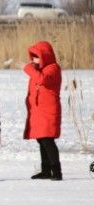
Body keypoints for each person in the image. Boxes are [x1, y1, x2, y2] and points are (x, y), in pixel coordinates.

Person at [23, 40, 62, 180]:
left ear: (45, 56)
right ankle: (46, 171)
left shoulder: (53, 68)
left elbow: (42, 80)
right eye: (32, 57)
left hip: (48, 111)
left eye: (37, 56)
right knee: (41, 140)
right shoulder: (38, 70)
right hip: (39, 111)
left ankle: (56, 172)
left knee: (48, 140)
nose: (34, 60)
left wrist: (29, 68)